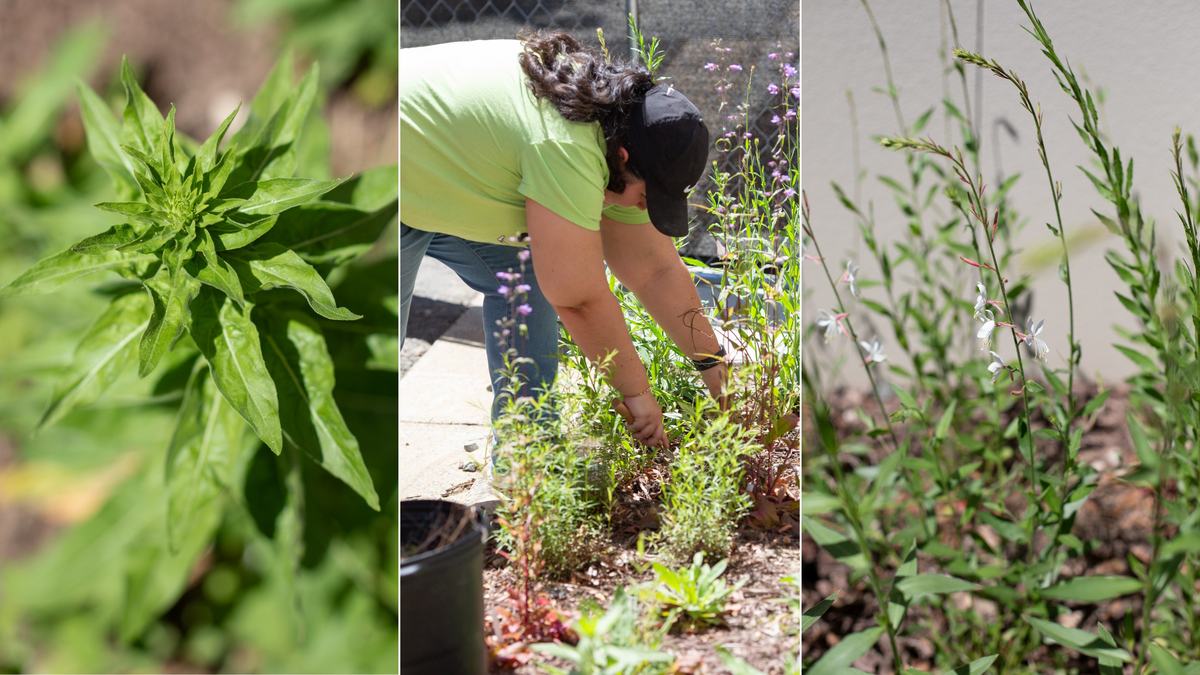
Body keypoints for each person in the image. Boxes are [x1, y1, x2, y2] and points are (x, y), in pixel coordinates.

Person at [399, 31, 728, 449]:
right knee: (364, 359)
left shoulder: (618, 126)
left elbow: (656, 270)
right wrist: (638, 397)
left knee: (530, 279)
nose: (644, 210)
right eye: (647, 197)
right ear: (625, 160)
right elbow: (579, 298)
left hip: (452, 171)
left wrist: (718, 374)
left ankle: (528, 463)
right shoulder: (565, 143)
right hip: (372, 165)